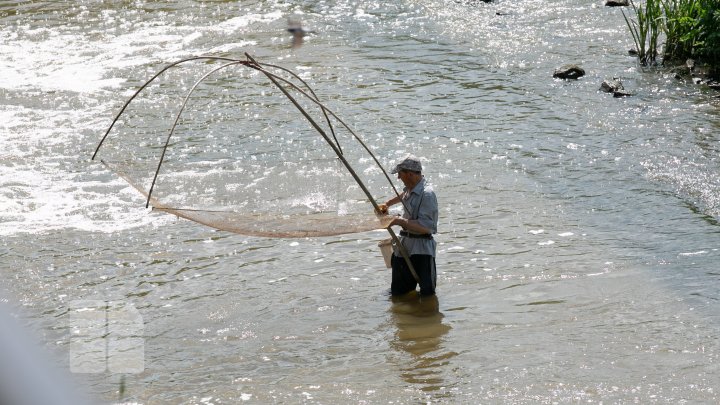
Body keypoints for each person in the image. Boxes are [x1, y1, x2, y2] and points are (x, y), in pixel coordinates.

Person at [377, 156, 438, 296]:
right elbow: (404, 194)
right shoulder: (411, 188)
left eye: (400, 174)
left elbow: (427, 227)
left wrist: (399, 221)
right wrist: (387, 203)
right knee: (398, 293)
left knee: (427, 295)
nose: (398, 177)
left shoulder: (427, 194)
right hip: (403, 246)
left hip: (421, 250)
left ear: (410, 174)